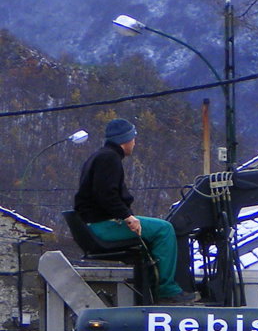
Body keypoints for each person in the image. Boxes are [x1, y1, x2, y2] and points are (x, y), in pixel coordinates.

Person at [74, 118, 197, 304]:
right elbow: (106, 194)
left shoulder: (99, 156)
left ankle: (154, 283)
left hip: (93, 224)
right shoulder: (109, 158)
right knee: (164, 229)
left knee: (155, 230)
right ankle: (167, 290)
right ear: (125, 140)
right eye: (133, 138)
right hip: (102, 226)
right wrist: (127, 216)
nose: (135, 143)